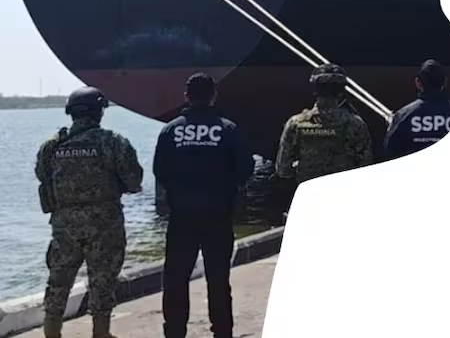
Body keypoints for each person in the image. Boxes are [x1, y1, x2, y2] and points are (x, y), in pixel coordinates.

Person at [35, 86, 144, 338]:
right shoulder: (112, 142)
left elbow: (42, 175)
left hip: (64, 226)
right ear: (99, 112)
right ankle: (101, 333)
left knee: (58, 281)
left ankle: (52, 333)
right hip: (104, 225)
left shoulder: (52, 145)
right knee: (102, 282)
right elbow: (134, 181)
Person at [154, 73, 255, 338]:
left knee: (176, 280)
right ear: (214, 95)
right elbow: (245, 169)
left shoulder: (170, 131)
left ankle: (174, 333)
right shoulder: (228, 129)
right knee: (218, 280)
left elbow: (160, 171)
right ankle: (222, 332)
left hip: (182, 217)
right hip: (218, 215)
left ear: (186, 96)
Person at [275, 63, 373, 183]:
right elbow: (365, 166)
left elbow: (283, 170)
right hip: (343, 189)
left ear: (315, 90)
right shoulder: (356, 124)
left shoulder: (295, 124)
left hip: (310, 190)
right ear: (341, 91)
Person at [381, 59, 450, 162]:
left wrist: (391, 128)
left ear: (418, 83)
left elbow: (390, 150)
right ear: (445, 82)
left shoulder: (404, 115)